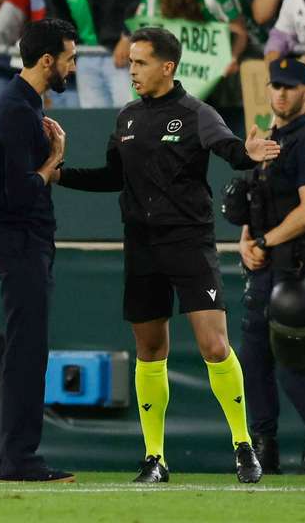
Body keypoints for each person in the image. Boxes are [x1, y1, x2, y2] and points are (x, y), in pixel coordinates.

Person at [54, 27, 278, 484]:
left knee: (214, 345)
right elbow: (111, 177)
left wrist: (248, 154)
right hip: (141, 244)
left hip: (189, 242)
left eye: (139, 62)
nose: (130, 69)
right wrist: (57, 175)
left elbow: (229, 149)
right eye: (131, 61)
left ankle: (243, 445)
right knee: (149, 349)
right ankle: (154, 457)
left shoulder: (197, 113)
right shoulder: (126, 118)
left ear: (167, 67)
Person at [0, 18, 75, 483]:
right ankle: (17, 458)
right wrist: (54, 159)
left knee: (25, 348)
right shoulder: (17, 110)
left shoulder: (23, 106)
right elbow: (18, 192)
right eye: (69, 58)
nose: (72, 68)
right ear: (46, 61)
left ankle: (10, 455)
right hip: (20, 242)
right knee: (26, 350)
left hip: (21, 239)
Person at [235, 57, 305, 475]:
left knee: (295, 365)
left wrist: (263, 241)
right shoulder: (267, 140)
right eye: (276, 86)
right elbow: (254, 202)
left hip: (297, 268)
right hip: (263, 267)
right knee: (254, 359)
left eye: (290, 87)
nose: (281, 93)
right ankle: (264, 446)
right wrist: (245, 240)